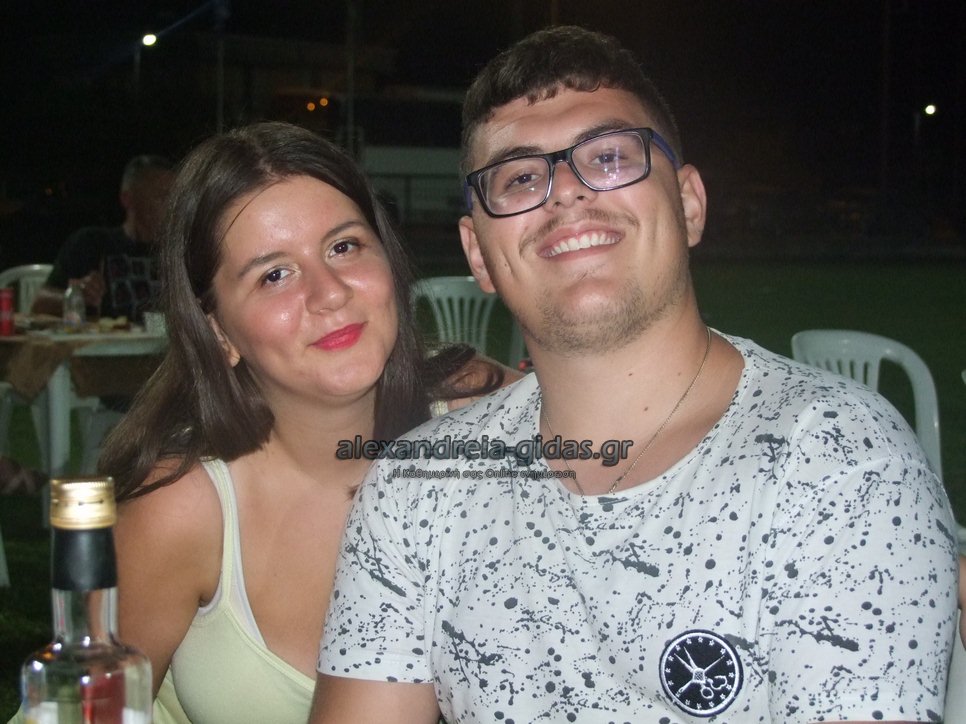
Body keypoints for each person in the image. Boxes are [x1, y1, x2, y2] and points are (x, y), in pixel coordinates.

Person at [311, 26, 960, 723]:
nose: (566, 193)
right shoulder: (416, 490)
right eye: (521, 178)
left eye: (610, 157)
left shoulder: (838, 463)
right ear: (478, 254)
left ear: (689, 204)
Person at [96, 122, 512, 724]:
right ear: (217, 330)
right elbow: (85, 708)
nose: (329, 293)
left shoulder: (486, 417)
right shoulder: (179, 509)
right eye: (274, 274)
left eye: (344, 247)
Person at [31, 154, 174, 322]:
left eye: (175, 198)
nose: (171, 206)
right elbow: (40, 304)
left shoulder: (179, 253)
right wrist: (77, 295)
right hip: (107, 338)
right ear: (127, 199)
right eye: (161, 196)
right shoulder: (92, 243)